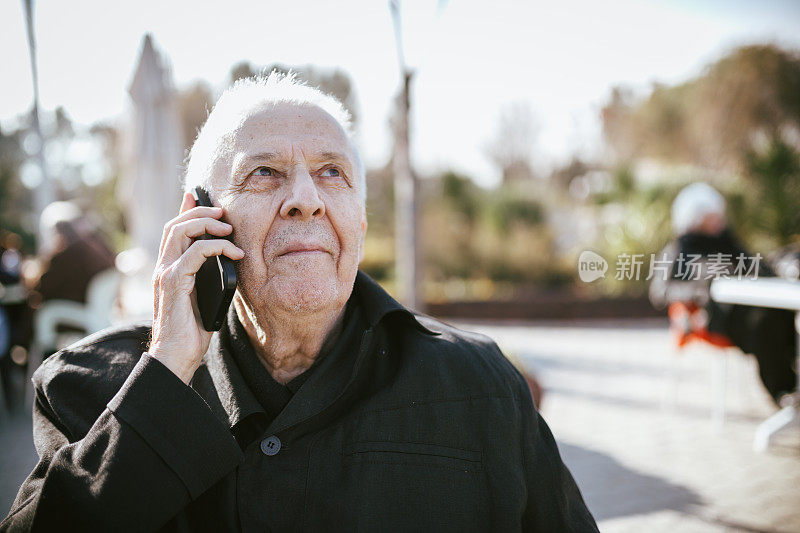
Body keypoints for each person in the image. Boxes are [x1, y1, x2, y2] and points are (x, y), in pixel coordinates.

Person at [2, 73, 597, 532]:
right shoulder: (89, 389)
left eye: (332, 173)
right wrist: (165, 373)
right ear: (202, 218)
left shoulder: (479, 384)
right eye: (264, 173)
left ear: (359, 222)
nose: (305, 200)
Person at [649, 183, 797, 404]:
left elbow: (761, 268)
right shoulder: (678, 250)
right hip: (717, 317)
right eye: (712, 217)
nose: (719, 221)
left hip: (752, 306)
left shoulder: (727, 243)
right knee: (765, 324)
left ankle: (792, 387)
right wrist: (700, 290)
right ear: (696, 219)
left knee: (783, 315)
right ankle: (783, 393)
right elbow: (660, 291)